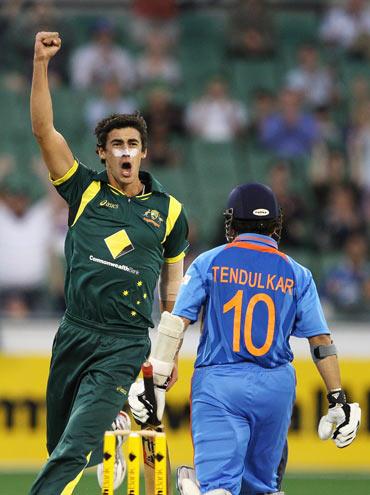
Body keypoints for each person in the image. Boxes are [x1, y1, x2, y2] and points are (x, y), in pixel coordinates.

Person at [29, 31, 188, 495]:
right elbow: (43, 132)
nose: (124, 151)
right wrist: (40, 63)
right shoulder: (85, 191)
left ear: (143, 152)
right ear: (102, 153)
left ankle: (113, 429)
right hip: (75, 331)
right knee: (59, 447)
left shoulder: (170, 211)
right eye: (115, 144)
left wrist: (166, 355)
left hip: (125, 344)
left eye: (132, 144)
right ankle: (114, 435)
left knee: (73, 447)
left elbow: (172, 292)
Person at [129, 183, 361, 495]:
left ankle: (198, 487)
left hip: (220, 384)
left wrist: (155, 380)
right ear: (276, 224)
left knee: (218, 488)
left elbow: (176, 322)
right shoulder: (297, 273)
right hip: (275, 388)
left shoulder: (210, 262)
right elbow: (321, 340)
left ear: (232, 222)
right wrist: (337, 398)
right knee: (262, 489)